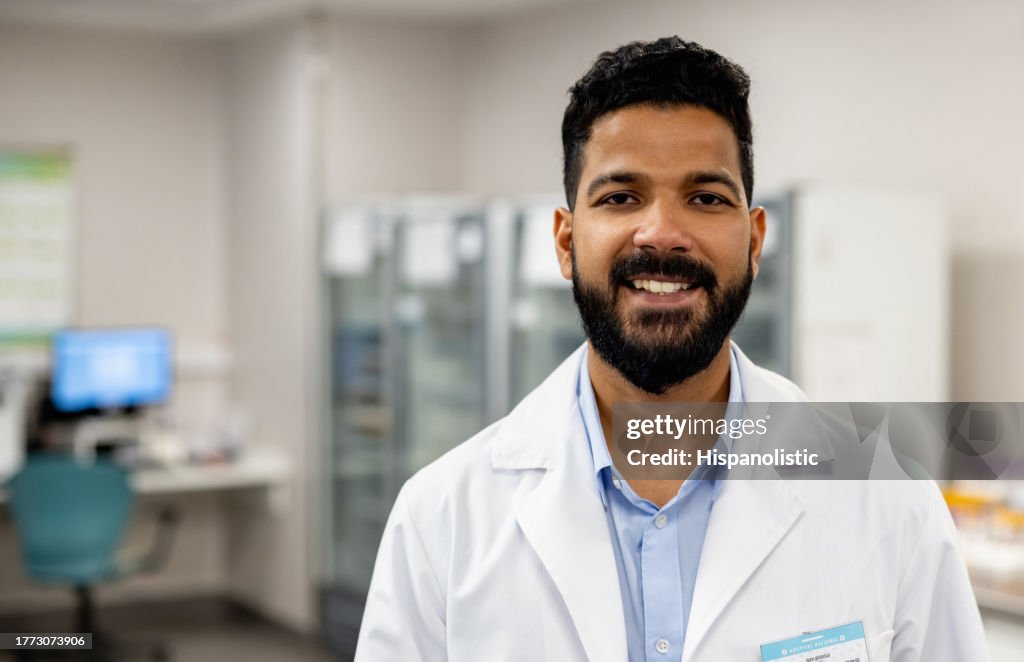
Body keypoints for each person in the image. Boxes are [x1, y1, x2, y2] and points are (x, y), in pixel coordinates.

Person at [355, 37, 987, 662]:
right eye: (620, 197)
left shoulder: (888, 498)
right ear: (566, 241)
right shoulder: (441, 517)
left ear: (755, 240)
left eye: (706, 198)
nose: (661, 233)